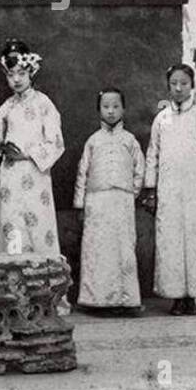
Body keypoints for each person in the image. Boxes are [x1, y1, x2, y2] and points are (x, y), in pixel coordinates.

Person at [141, 63, 196, 315]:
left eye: (184, 84)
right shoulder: (161, 119)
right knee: (171, 242)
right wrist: (150, 187)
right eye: (174, 84)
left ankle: (193, 296)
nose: (179, 88)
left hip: (193, 191)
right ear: (168, 86)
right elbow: (152, 155)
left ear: (192, 86)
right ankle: (176, 296)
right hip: (167, 191)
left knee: (194, 240)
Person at [0, 39, 64, 257]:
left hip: (36, 177)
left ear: (31, 72)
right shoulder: (5, 109)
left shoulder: (44, 104)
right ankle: (12, 287)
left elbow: (56, 143)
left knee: (39, 231)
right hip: (10, 181)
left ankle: (43, 288)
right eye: (10, 75)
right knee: (13, 231)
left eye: (20, 73)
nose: (16, 79)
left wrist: (26, 155)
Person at [73, 87, 145, 314]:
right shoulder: (93, 141)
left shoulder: (130, 140)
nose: (111, 111)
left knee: (123, 249)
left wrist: (130, 194)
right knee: (98, 250)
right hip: (97, 202)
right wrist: (81, 204)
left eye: (115, 106)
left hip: (122, 201)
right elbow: (82, 173)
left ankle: (126, 300)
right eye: (106, 107)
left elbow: (139, 170)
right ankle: (97, 300)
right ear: (98, 110)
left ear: (123, 108)